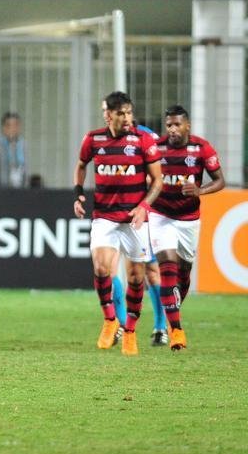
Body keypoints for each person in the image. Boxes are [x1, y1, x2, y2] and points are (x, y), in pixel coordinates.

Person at [73, 90, 162, 356]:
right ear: (108, 114)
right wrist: (77, 193)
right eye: (121, 113)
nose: (127, 118)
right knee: (102, 269)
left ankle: (131, 331)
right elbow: (81, 164)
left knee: (137, 277)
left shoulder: (143, 139)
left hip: (135, 219)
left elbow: (157, 180)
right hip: (104, 217)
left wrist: (144, 207)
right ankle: (111, 320)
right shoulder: (93, 139)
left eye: (129, 113)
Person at [148, 105, 225, 351]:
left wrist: (199, 191)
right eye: (168, 124)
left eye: (177, 124)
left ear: (187, 125)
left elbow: (220, 180)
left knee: (182, 275)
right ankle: (176, 331)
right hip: (160, 216)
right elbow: (143, 176)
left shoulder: (202, 149)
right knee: (167, 267)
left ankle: (174, 311)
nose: (172, 129)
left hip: (188, 219)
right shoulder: (156, 149)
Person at [111, 114, 167, 344]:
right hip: (115, 211)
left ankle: (160, 327)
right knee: (109, 267)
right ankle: (122, 324)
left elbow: (156, 177)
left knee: (150, 270)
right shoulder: (106, 140)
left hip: (144, 213)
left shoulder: (146, 137)